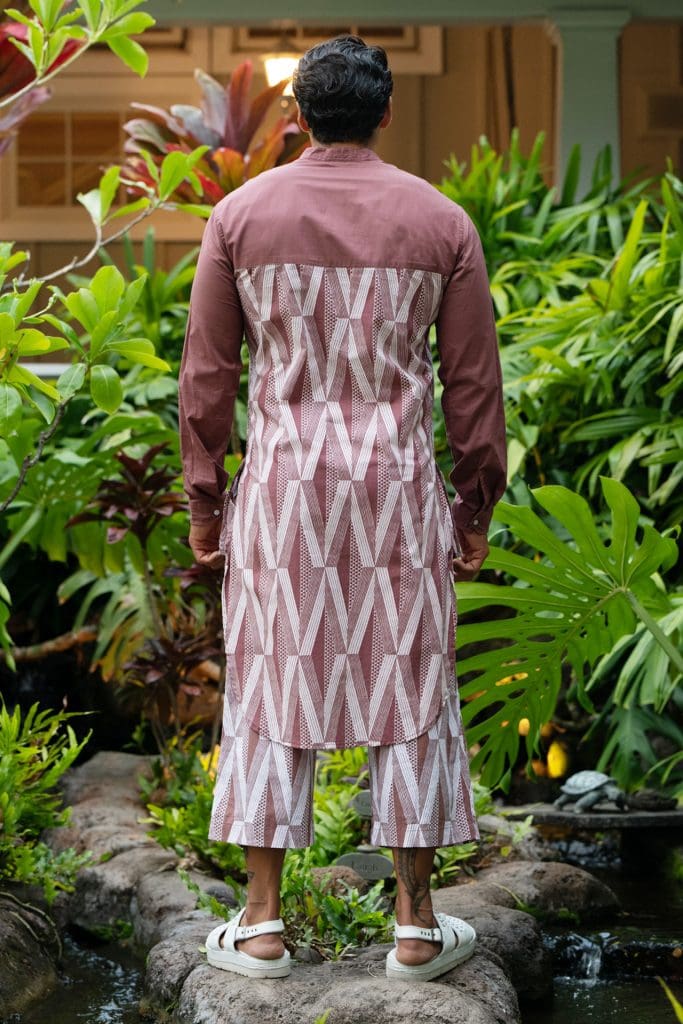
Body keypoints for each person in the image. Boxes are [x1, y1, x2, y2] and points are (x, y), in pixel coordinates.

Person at [178, 34, 506, 984]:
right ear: (385, 114)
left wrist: (205, 504)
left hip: (283, 496)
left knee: (270, 688)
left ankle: (261, 927)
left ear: (297, 118)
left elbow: (207, 379)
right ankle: (415, 929)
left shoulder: (239, 217)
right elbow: (472, 387)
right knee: (411, 691)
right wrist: (473, 507)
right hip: (396, 494)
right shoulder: (440, 222)